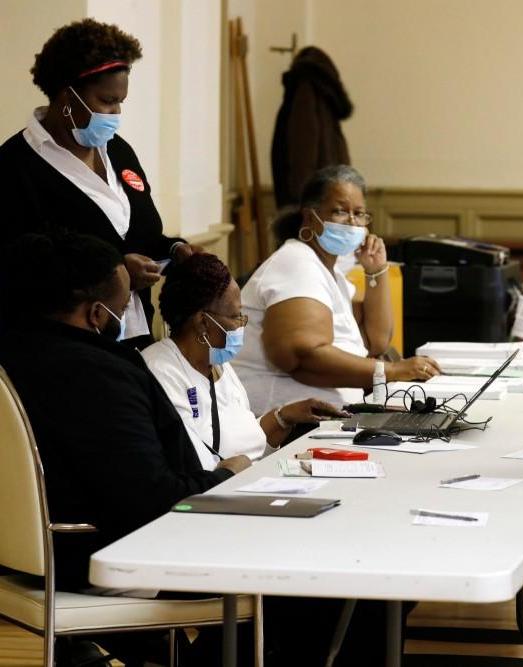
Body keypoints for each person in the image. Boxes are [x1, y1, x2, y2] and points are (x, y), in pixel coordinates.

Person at [0, 232, 403, 666]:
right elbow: (154, 500)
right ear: (97, 315)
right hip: (109, 551)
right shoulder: (102, 376)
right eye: (125, 308)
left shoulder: (16, 355)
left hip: (34, 552)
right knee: (332, 571)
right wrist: (227, 476)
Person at [0, 18, 199, 345]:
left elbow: (138, 235)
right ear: (67, 97)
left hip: (135, 337)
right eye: (107, 101)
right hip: (63, 348)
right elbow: (19, 270)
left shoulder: (118, 152)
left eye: (121, 101)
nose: (116, 113)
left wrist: (174, 250)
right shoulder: (15, 167)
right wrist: (114, 274)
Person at [233, 164, 441, 414]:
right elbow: (303, 357)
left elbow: (376, 341)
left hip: (331, 417)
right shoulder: (297, 264)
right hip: (287, 427)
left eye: (360, 213)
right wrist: (391, 371)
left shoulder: (331, 273)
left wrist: (376, 271)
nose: (352, 222)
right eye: (340, 212)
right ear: (311, 218)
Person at [143, 252, 348, 468]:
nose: (241, 325)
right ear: (203, 322)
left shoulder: (218, 363)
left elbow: (245, 445)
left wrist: (284, 417)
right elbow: (197, 463)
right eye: (235, 316)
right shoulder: (161, 371)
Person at [271, 46, 353, 208]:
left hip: (314, 196)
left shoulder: (306, 89)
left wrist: (301, 196)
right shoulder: (324, 94)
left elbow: (304, 144)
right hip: (330, 190)